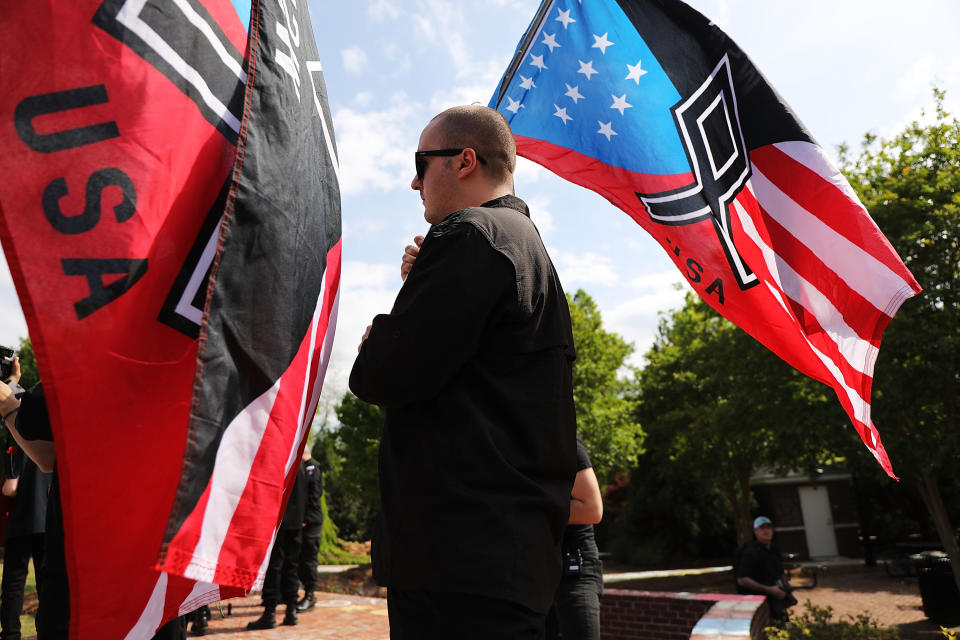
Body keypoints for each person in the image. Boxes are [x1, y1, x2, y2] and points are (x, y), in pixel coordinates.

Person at [350, 104, 578, 639]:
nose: (414, 181)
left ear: (464, 161)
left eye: (422, 163)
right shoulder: (524, 246)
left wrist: (379, 334)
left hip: (458, 567)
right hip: (506, 562)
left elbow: (380, 376)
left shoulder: (472, 234)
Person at [546, 438, 603, 640]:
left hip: (575, 568)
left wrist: (530, 513)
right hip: (536, 571)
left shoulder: (565, 443)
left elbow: (592, 509)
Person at [246, 461, 308, 630]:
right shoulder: (299, 462)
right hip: (296, 522)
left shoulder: (282, 457)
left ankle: (270, 612)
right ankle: (291, 611)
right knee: (291, 566)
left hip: (278, 519)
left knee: (274, 565)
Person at [1, 444, 52, 640]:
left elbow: (10, 488)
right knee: (46, 581)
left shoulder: (15, 439)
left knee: (13, 582)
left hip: (22, 516)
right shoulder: (51, 436)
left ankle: (10, 634)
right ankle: (45, 632)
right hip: (48, 517)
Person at [736, 516, 797, 622]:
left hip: (777, 601)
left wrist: (786, 592)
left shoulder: (774, 550)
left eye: (768, 527)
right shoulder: (751, 553)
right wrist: (769, 590)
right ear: (756, 531)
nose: (766, 530)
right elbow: (742, 580)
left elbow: (780, 573)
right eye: (762, 528)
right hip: (760, 603)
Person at [296, 450, 323, 613]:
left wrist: (305, 517)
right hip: (301, 520)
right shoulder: (303, 467)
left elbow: (313, 495)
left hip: (310, 521)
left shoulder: (311, 468)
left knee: (308, 558)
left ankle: (310, 595)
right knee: (299, 557)